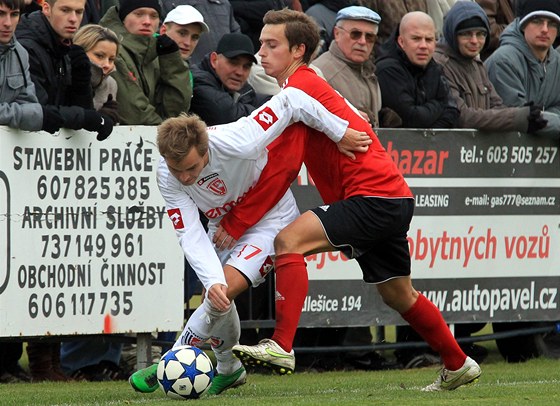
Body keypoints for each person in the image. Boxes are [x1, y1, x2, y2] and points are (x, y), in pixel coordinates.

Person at [222, 9, 480, 391]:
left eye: (270, 44)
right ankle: (458, 364)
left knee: (286, 242)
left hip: (373, 197)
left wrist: (235, 220)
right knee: (398, 293)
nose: (261, 51)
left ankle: (281, 345)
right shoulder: (304, 84)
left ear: (298, 49)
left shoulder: (300, 88)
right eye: (262, 42)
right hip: (391, 198)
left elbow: (283, 167)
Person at [127, 83, 370, 395]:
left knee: (224, 288)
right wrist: (211, 278)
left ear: (206, 151)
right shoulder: (166, 174)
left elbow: (292, 99)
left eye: (191, 168)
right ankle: (228, 369)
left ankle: (171, 361)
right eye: (178, 170)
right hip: (223, 225)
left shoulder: (238, 139)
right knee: (215, 296)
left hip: (271, 219)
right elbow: (189, 232)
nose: (185, 178)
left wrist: (339, 132)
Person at [58, 24, 125, 382]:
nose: (107, 65)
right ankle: (73, 360)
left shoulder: (111, 85)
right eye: (99, 56)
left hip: (100, 187)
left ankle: (106, 358)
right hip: (62, 184)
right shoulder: (67, 76)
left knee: (109, 270)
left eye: (112, 58)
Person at [432, 0, 548, 134]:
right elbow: (461, 116)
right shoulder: (440, 65)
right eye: (466, 34)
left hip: (476, 151)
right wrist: (516, 118)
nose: (475, 41)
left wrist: (523, 115)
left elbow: (496, 105)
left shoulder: (477, 64)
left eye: (481, 34)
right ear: (452, 34)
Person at [15, 0, 114, 141]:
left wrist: (81, 82)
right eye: (65, 10)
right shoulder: (27, 48)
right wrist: (84, 117)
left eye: (79, 12)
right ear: (46, 9)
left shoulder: (65, 47)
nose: (73, 19)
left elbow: (79, 110)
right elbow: (38, 113)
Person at [99, 0, 191, 125]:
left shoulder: (155, 55)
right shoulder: (109, 50)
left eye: (154, 16)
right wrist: (167, 132)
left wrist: (172, 61)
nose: (147, 21)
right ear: (123, 18)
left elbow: (175, 112)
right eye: (139, 14)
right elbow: (134, 113)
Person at [485, 0, 560, 139]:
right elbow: (522, 117)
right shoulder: (503, 61)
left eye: (552, 23)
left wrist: (545, 116)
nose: (545, 29)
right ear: (523, 24)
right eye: (537, 21)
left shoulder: (557, 61)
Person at [375, 11, 459, 128]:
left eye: (429, 39)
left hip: (434, 146)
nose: (423, 46)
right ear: (401, 42)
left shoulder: (435, 68)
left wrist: (430, 133)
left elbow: (453, 113)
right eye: (416, 38)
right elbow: (413, 118)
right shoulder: (387, 70)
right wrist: (439, 104)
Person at [190, 33, 270, 125]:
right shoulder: (198, 79)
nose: (239, 72)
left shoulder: (236, 83)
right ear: (214, 60)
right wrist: (265, 113)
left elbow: (257, 99)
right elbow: (227, 115)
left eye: (246, 66)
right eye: (233, 63)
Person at [160, 0, 241, 65]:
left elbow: (236, 37)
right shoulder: (166, 2)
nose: (187, 42)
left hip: (221, 74)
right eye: (182, 33)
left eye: (195, 37)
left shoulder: (224, 3)